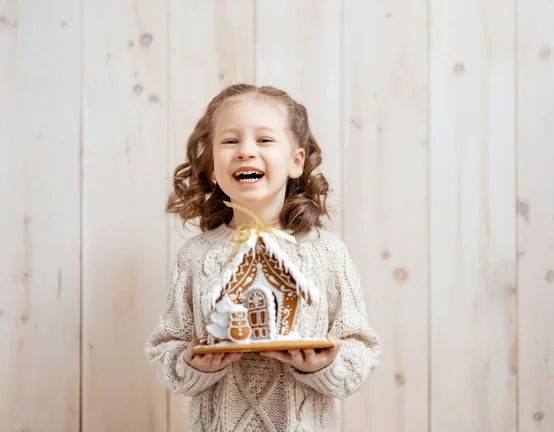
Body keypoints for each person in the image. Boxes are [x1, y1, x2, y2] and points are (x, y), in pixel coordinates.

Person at [145, 83, 382, 431]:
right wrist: (195, 365)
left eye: (264, 140)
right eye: (230, 141)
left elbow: (362, 349)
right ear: (212, 166)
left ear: (295, 161)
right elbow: (165, 348)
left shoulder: (327, 253)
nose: (245, 151)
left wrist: (322, 365)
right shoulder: (194, 257)